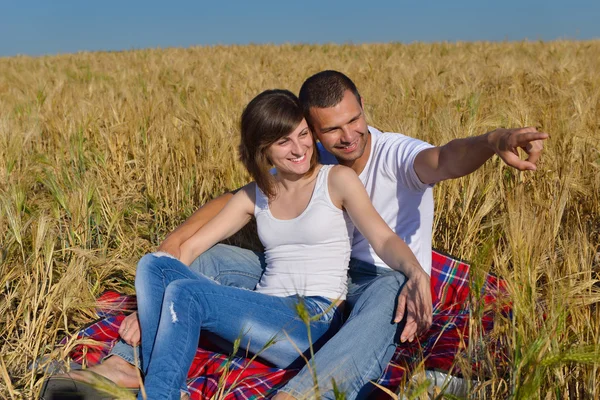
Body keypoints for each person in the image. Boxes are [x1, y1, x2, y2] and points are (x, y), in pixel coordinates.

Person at [48, 71, 547, 399]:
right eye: (329, 129)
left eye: (354, 121)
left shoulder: (389, 157)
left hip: (375, 279)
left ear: (364, 109)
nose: (346, 136)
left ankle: (306, 392)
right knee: (182, 266)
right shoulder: (304, 161)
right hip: (301, 282)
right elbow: (226, 209)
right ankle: (124, 363)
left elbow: (443, 159)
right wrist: (158, 276)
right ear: (311, 128)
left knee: (388, 291)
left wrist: (494, 141)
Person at [136, 88, 431, 399]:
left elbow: (383, 237)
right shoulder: (256, 193)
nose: (298, 148)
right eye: (283, 142)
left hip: (312, 321)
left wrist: (415, 271)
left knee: (185, 293)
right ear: (263, 150)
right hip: (263, 317)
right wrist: (152, 307)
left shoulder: (336, 180)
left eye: (303, 134)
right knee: (153, 264)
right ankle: (158, 380)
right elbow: (193, 247)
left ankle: (160, 394)